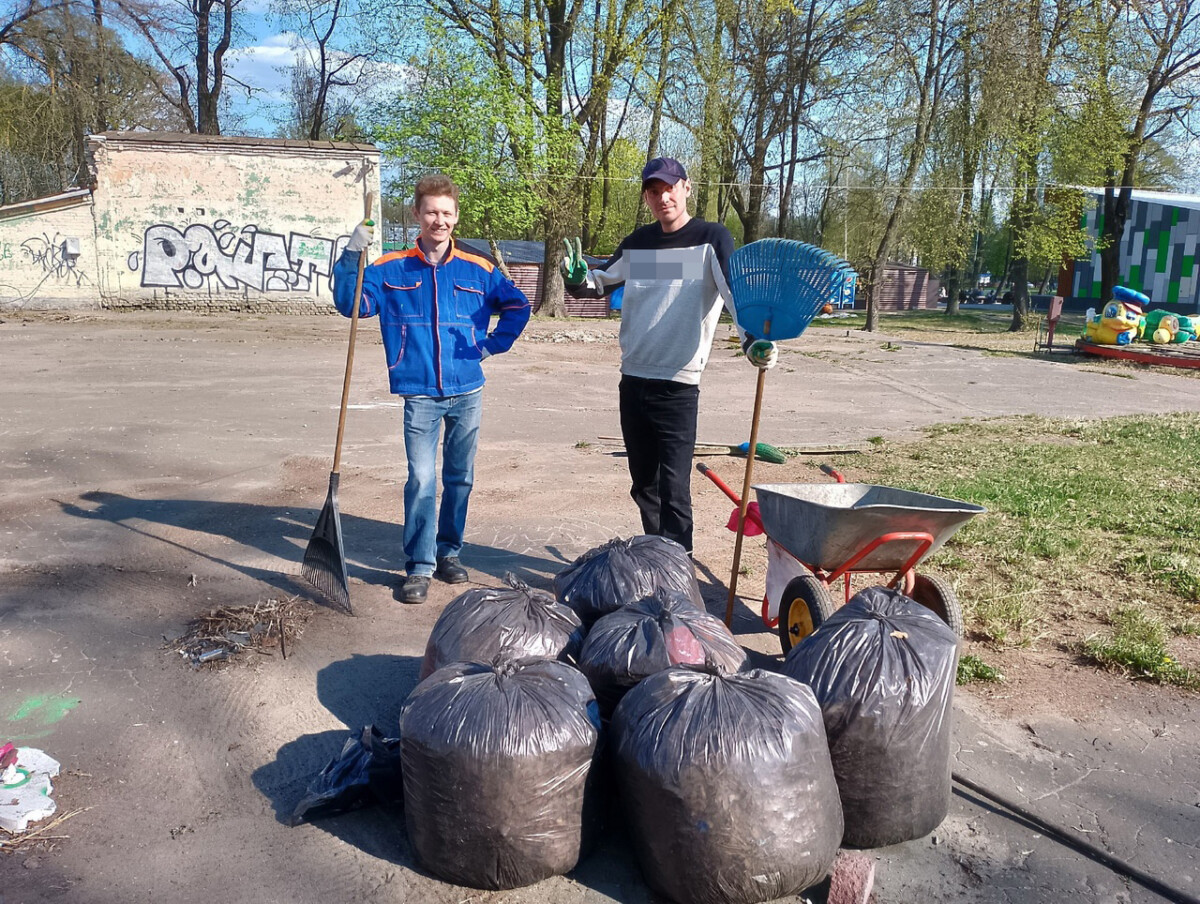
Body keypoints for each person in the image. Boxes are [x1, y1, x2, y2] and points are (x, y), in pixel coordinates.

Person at [561, 156, 777, 556]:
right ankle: (657, 559)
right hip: (634, 380)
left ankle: (679, 572)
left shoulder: (711, 239)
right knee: (644, 485)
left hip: (678, 386)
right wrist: (576, 279)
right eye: (654, 191)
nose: (664, 197)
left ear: (687, 188)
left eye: (670, 188)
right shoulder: (638, 243)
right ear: (647, 197)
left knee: (674, 490)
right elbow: (597, 284)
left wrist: (752, 343)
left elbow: (735, 295)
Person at [332, 174, 531, 603]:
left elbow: (518, 305)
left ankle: (449, 553)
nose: (439, 220)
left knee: (460, 478)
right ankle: (419, 566)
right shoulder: (390, 267)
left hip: (467, 390)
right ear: (417, 216)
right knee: (422, 479)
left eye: (446, 213)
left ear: (456, 217)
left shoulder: (478, 269)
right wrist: (352, 253)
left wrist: (492, 345)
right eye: (431, 212)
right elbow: (352, 305)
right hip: (419, 392)